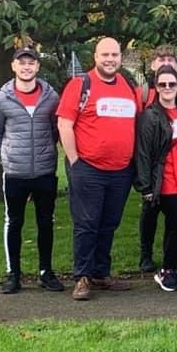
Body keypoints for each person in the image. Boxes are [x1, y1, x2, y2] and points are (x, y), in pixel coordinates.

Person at [57, 37, 139, 301]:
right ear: (95, 56)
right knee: (87, 223)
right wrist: (75, 161)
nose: (110, 59)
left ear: (120, 57)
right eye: (105, 54)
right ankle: (82, 276)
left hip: (120, 171)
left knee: (108, 223)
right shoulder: (80, 85)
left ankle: (101, 273)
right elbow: (64, 124)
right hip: (88, 168)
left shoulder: (127, 86)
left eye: (114, 55)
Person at [0, 46, 62, 294]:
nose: (27, 67)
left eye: (31, 63)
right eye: (22, 63)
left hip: (44, 172)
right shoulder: (0, 100)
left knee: (46, 222)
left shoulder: (52, 98)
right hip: (15, 173)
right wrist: (6, 160)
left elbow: (56, 130)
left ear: (38, 67)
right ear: (14, 66)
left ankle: (46, 272)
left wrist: (48, 155)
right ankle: (14, 274)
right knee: (14, 223)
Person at [134, 65, 177, 292]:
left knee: (175, 226)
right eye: (162, 84)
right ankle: (167, 270)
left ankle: (171, 269)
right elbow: (142, 153)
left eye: (172, 83)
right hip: (167, 181)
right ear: (156, 87)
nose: (167, 88)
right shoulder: (150, 116)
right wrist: (146, 187)